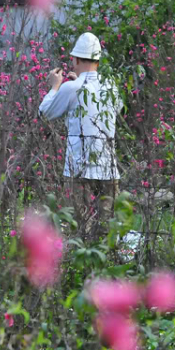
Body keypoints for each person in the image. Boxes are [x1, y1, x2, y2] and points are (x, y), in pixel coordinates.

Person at [39, 32, 122, 238]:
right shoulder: (110, 86)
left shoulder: (71, 87)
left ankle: (82, 265)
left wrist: (55, 87)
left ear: (75, 59)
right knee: (107, 227)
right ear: (97, 60)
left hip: (79, 168)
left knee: (80, 226)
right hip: (107, 167)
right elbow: (117, 110)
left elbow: (45, 112)